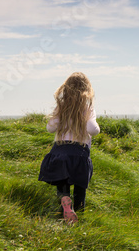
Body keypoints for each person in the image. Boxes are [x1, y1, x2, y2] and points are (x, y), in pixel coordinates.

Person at [38, 72, 100, 224]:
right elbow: (93, 130)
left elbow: (50, 128)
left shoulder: (62, 108)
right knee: (80, 186)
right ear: (87, 90)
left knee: (62, 180)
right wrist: (88, 121)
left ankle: (65, 198)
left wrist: (60, 116)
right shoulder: (87, 109)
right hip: (79, 154)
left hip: (60, 151)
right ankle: (79, 214)